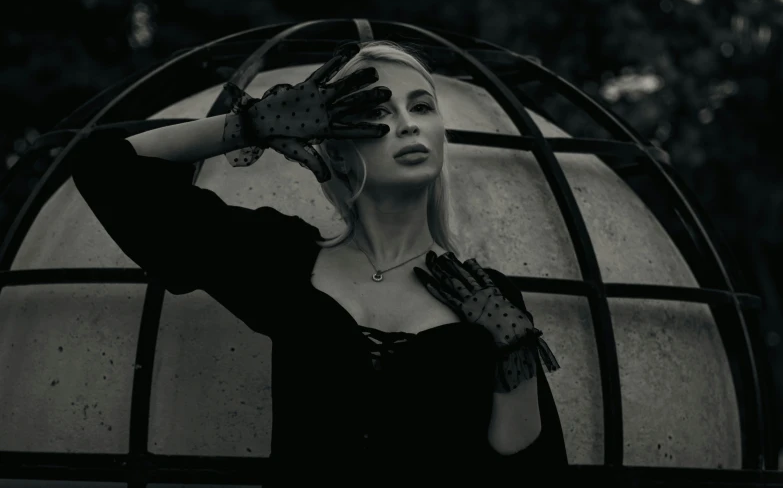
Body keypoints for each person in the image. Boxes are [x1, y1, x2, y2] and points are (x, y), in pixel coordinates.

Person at [71, 40, 567, 486]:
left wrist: (512, 357)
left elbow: (524, 469)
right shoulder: (282, 260)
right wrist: (249, 126)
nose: (408, 123)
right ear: (337, 149)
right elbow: (106, 169)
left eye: (421, 106)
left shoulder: (486, 295)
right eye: (379, 110)